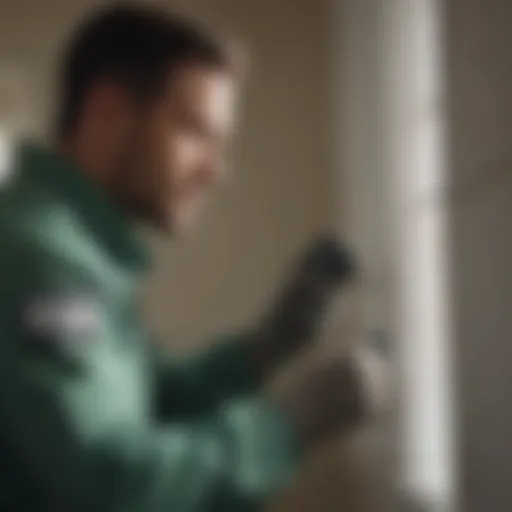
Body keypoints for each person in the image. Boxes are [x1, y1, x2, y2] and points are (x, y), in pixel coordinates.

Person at [0, 4, 385, 512]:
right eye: (195, 132)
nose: (215, 171)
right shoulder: (43, 259)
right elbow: (108, 483)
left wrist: (264, 348)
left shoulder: (81, 255)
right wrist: (292, 422)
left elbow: (150, 403)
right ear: (105, 115)